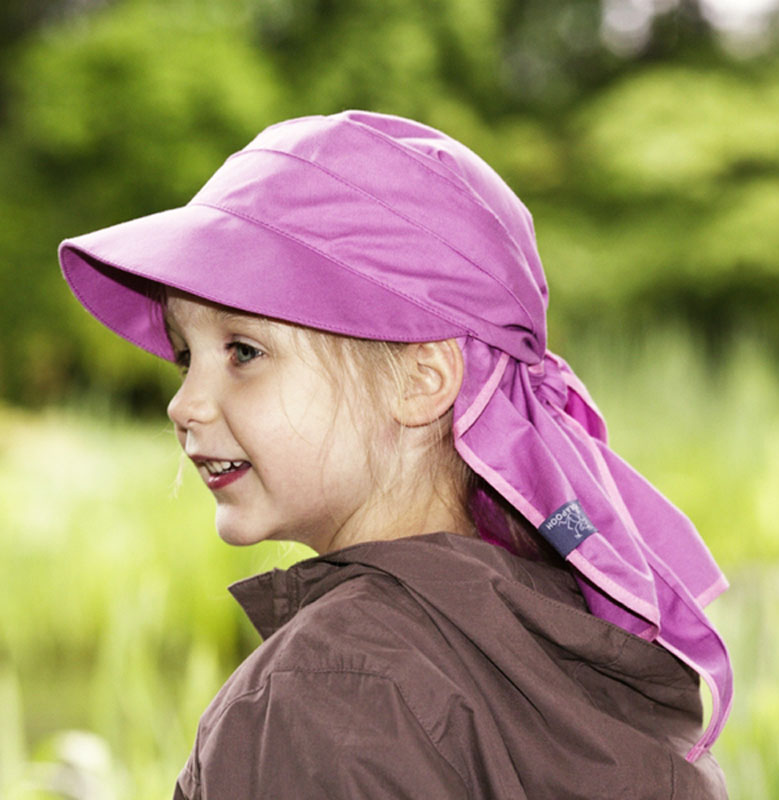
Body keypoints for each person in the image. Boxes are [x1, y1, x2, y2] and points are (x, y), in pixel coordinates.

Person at [58, 110, 731, 798]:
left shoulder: (322, 694)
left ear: (422, 381)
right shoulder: (579, 637)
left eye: (243, 352)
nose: (185, 405)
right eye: (183, 357)